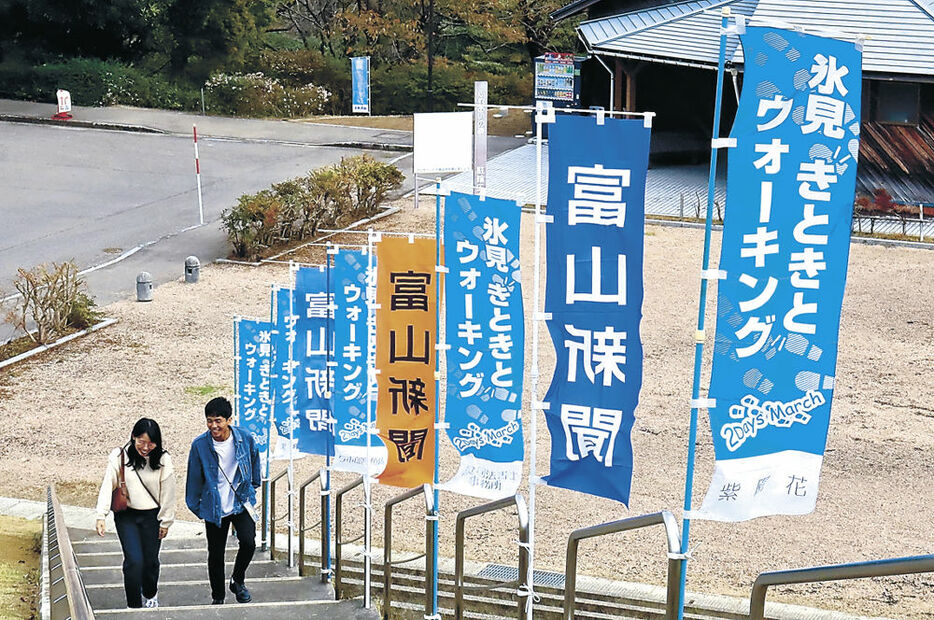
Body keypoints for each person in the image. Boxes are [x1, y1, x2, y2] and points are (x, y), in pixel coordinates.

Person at [186, 396, 261, 605]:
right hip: (214, 506)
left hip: (240, 501)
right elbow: (193, 478)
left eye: (218, 420)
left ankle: (238, 580)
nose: (213, 426)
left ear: (229, 419)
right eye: (209, 420)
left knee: (248, 542)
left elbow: (255, 460)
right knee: (216, 554)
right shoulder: (200, 445)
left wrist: (252, 486)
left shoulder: (244, 438)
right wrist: (199, 508)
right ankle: (218, 596)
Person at [95, 418, 176, 609]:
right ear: (133, 437)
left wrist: (166, 522)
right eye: (141, 441)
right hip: (127, 516)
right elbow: (108, 484)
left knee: (150, 562)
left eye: (150, 443)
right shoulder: (119, 456)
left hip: (152, 517)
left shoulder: (164, 460)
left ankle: (150, 594)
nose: (145, 447)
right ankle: (133, 606)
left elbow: (168, 493)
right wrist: (101, 514)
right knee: (133, 561)